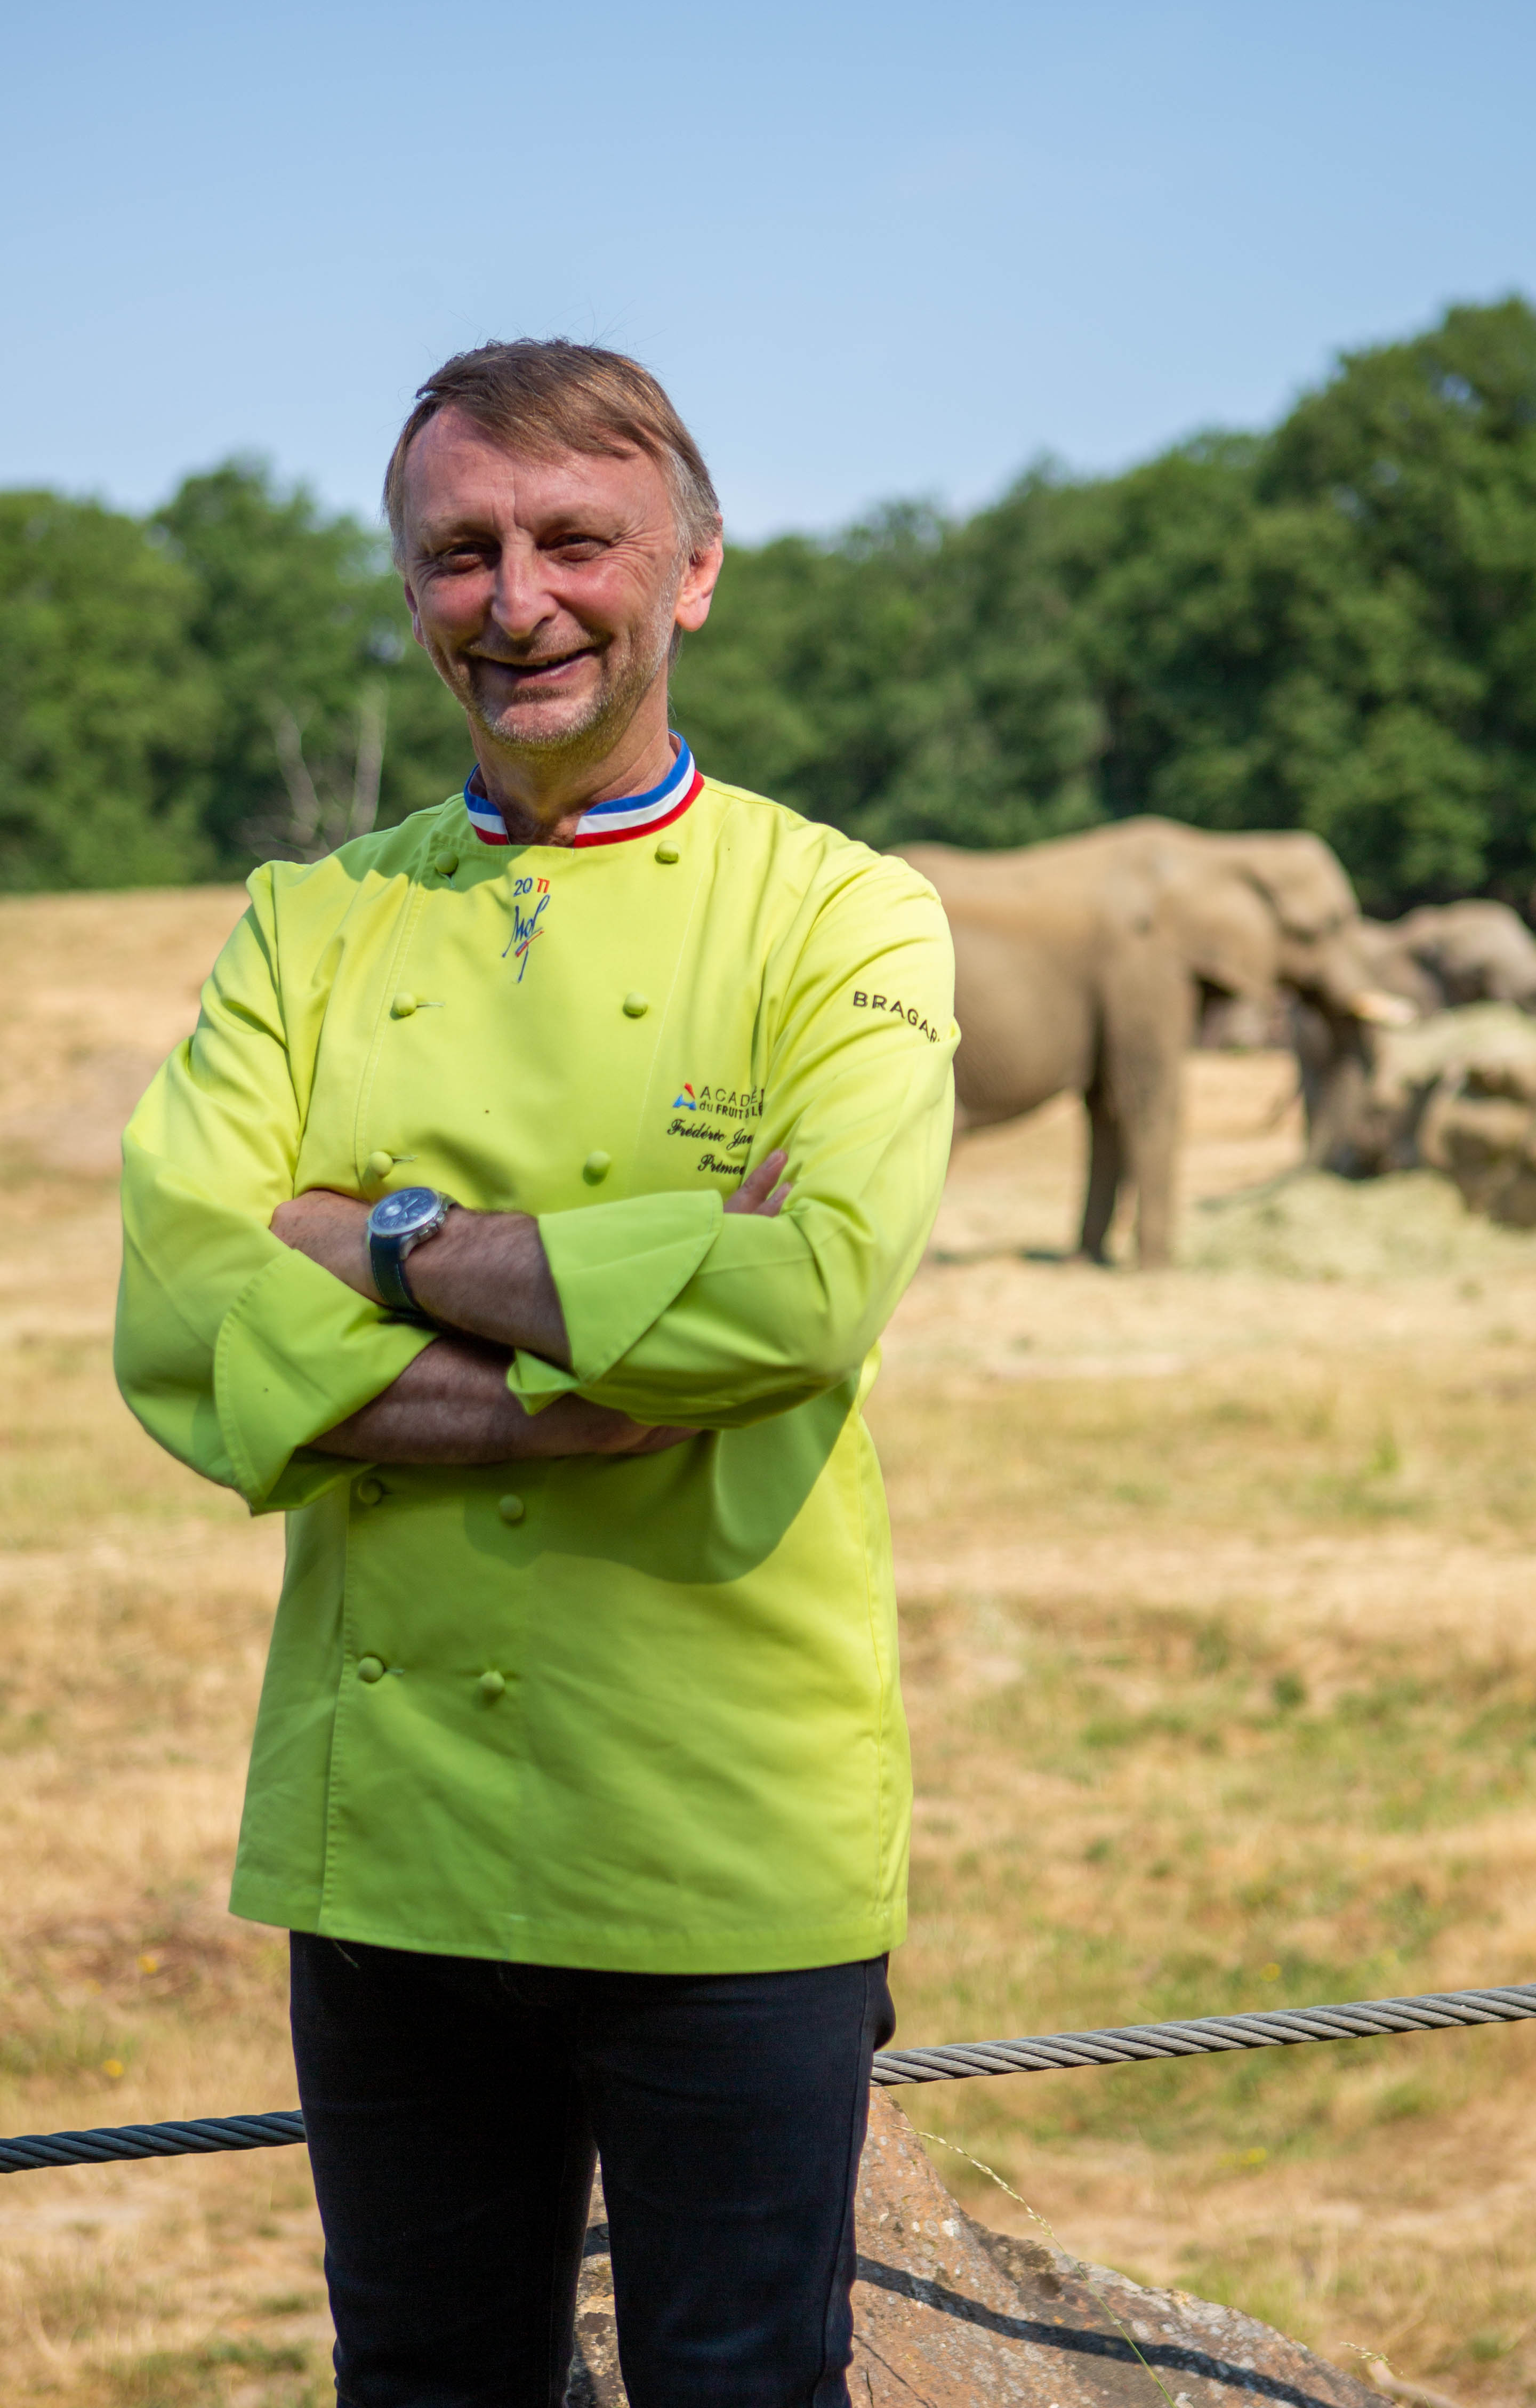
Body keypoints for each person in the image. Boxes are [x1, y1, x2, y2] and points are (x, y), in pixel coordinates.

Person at [115, 338, 957, 2408]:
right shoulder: (308, 921)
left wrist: (373, 1237)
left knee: (743, 2382)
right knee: (421, 2379)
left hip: (726, 1829)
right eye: (459, 552)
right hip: (385, 1840)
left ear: (693, 571)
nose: (518, 600)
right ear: (410, 591)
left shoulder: (842, 919)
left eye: (577, 540)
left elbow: (809, 1292)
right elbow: (177, 1306)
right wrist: (589, 1372)